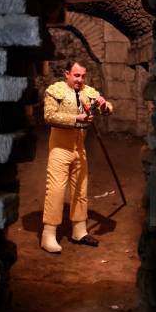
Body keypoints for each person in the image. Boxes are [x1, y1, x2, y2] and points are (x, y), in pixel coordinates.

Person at [40, 61, 113, 253]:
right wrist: (75, 119)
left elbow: (108, 108)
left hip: (80, 149)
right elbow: (49, 116)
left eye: (82, 76)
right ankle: (48, 234)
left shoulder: (89, 92)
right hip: (59, 148)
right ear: (67, 74)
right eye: (76, 75)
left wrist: (104, 106)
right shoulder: (55, 90)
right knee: (55, 190)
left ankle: (79, 231)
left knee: (80, 189)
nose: (80, 79)